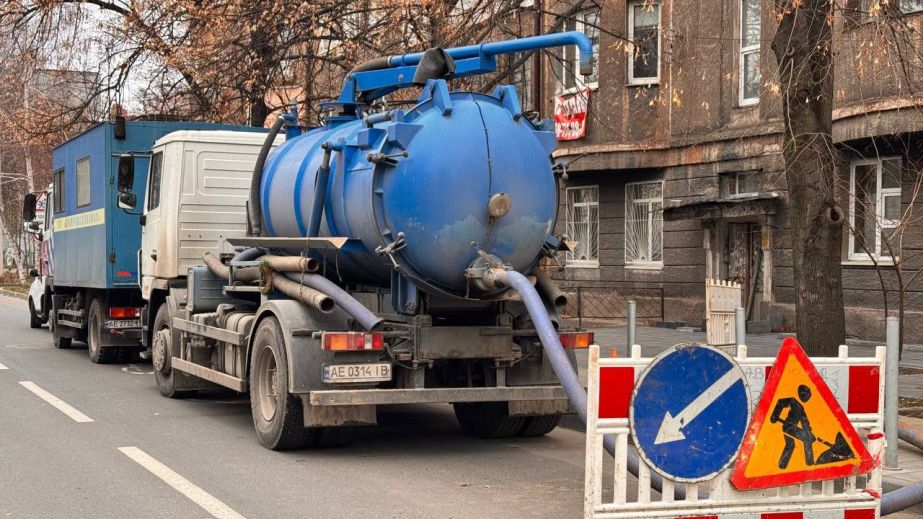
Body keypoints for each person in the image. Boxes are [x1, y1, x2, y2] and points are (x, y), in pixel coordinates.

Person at [770, 384, 815, 469]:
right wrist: (774, 416)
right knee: (807, 439)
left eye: (808, 396)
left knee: (791, 445)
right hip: (789, 427)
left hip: (790, 427)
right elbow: (780, 402)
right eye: (806, 395)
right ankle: (810, 463)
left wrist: (809, 431)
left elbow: (804, 422)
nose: (807, 398)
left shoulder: (801, 408)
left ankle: (781, 466)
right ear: (801, 394)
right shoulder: (792, 401)